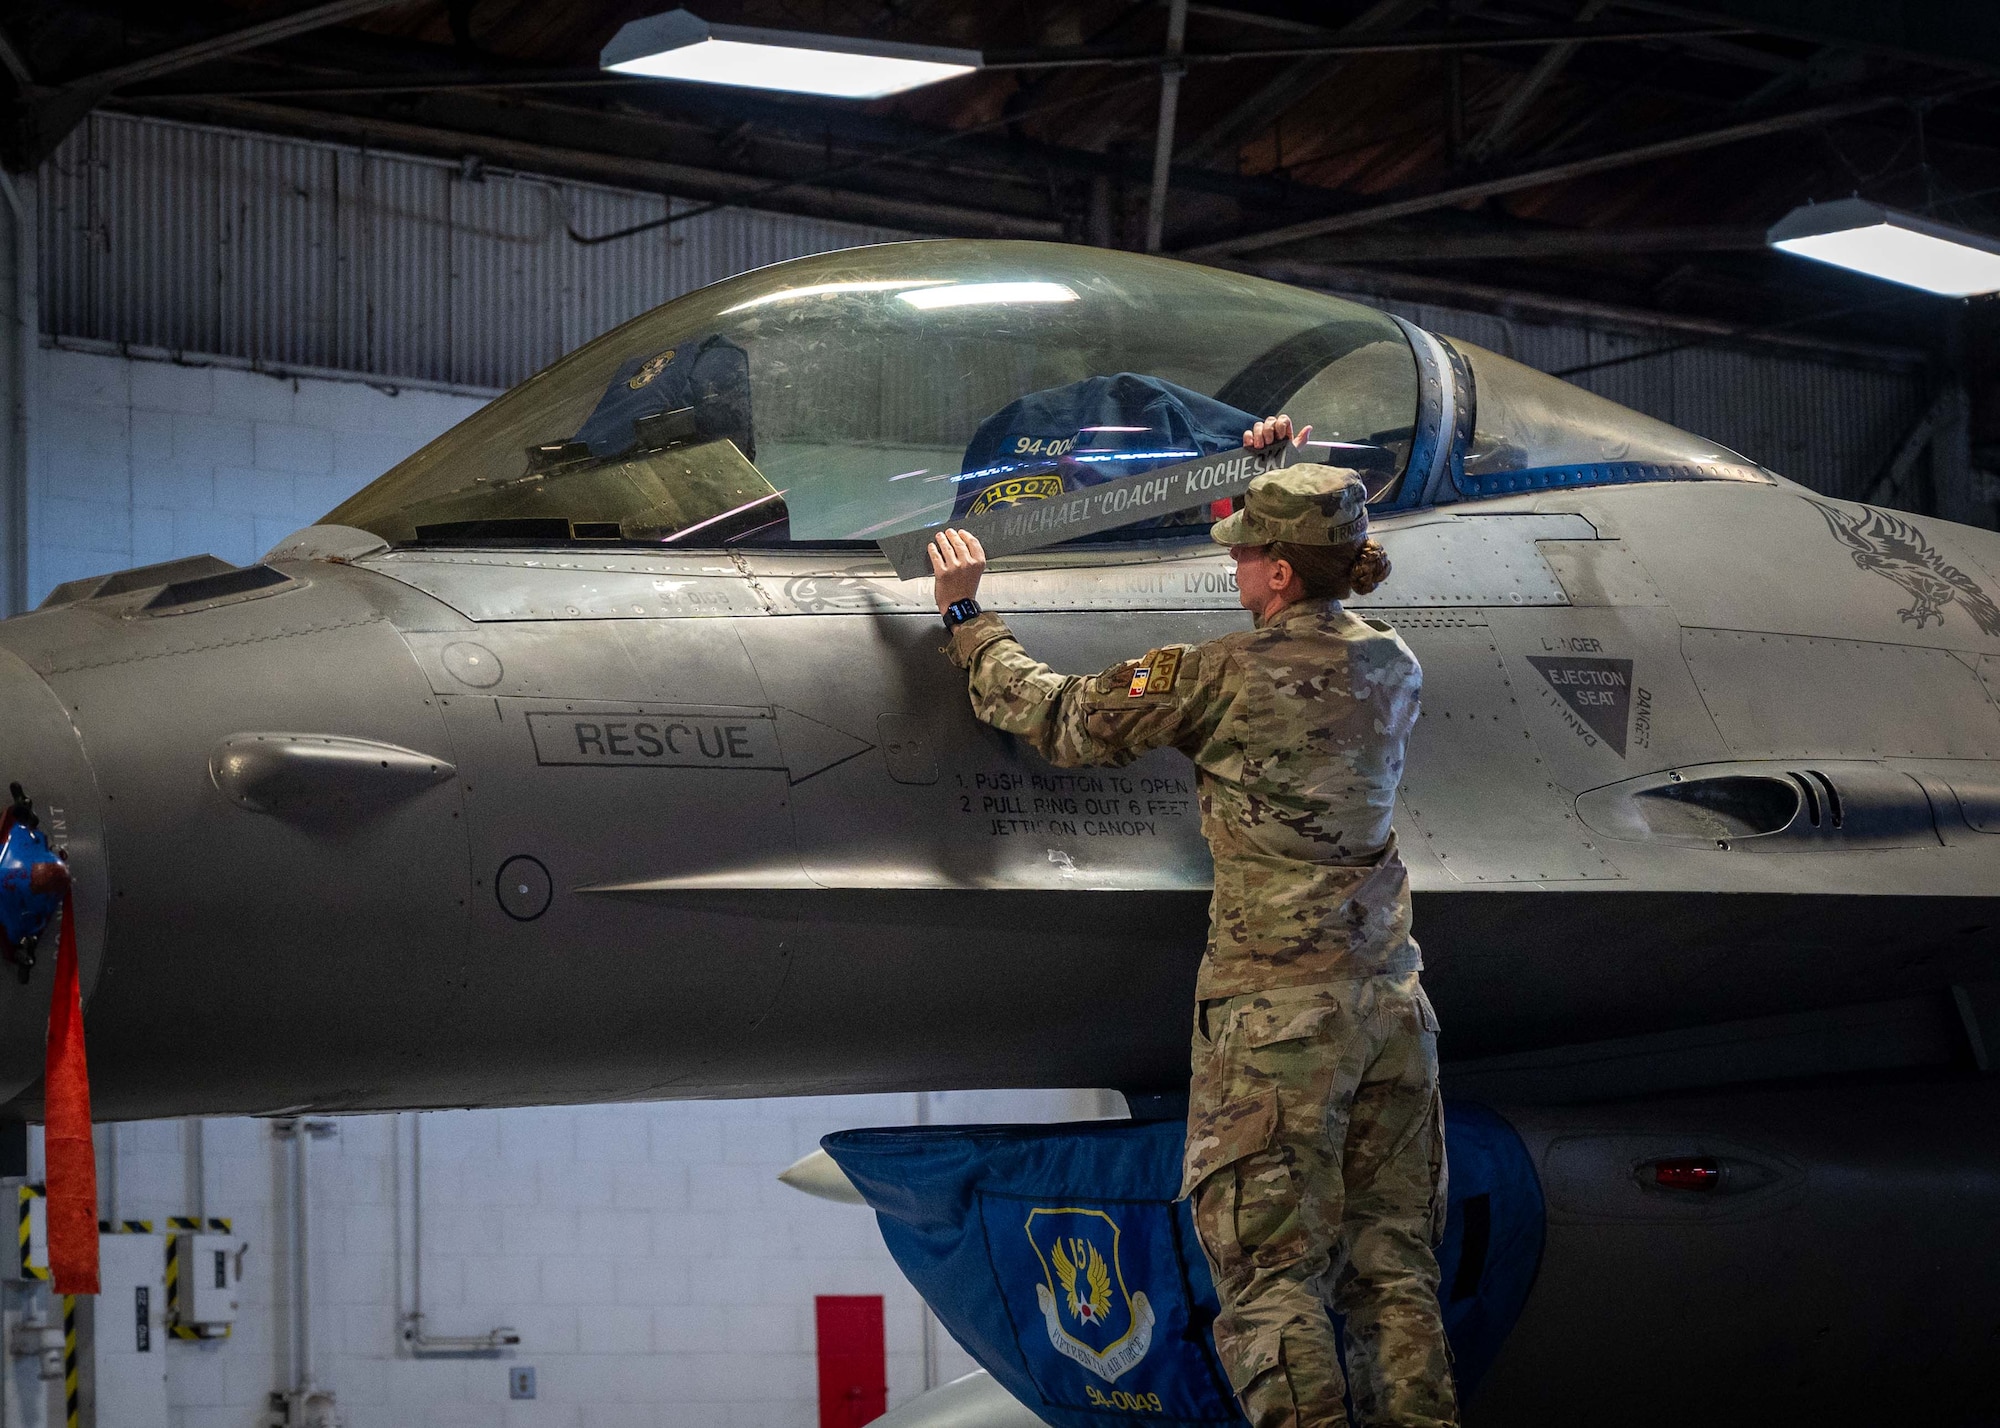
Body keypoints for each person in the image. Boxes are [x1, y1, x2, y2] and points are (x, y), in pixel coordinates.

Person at [927, 414, 1457, 1428]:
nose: (1231, 569)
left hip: (1273, 1026)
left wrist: (967, 619)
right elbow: (1332, 536)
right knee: (1392, 1273)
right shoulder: (1393, 662)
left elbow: (1059, 718)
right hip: (1389, 1010)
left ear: (1279, 578)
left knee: (1268, 1279)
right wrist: (1265, 468)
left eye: (1244, 553)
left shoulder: (1218, 675)